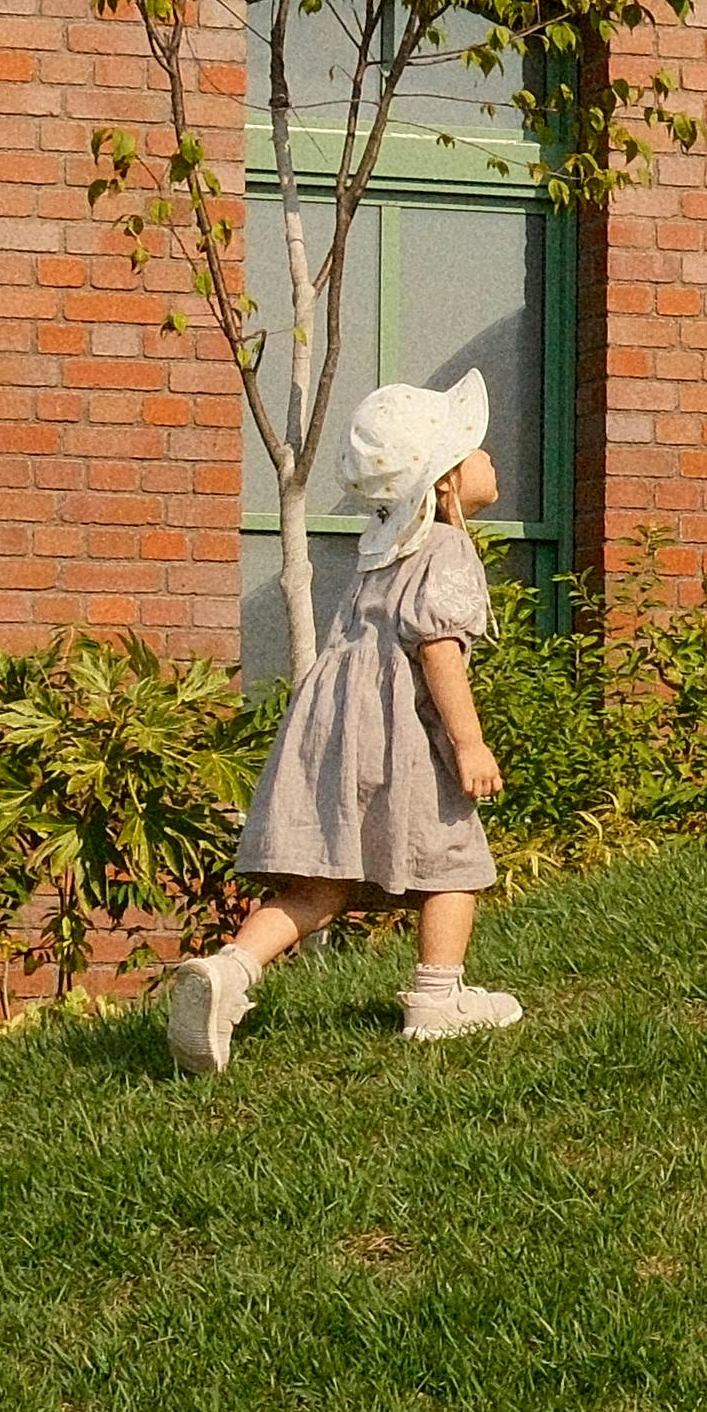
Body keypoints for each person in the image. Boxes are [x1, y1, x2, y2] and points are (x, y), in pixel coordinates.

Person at [163, 375, 524, 1068]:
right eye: (474, 450)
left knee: (320, 883)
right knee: (454, 864)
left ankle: (231, 969)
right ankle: (437, 999)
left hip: (335, 730)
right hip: (404, 736)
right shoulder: (445, 550)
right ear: (445, 483)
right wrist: (468, 742)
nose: (488, 460)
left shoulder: (381, 549)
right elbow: (439, 651)